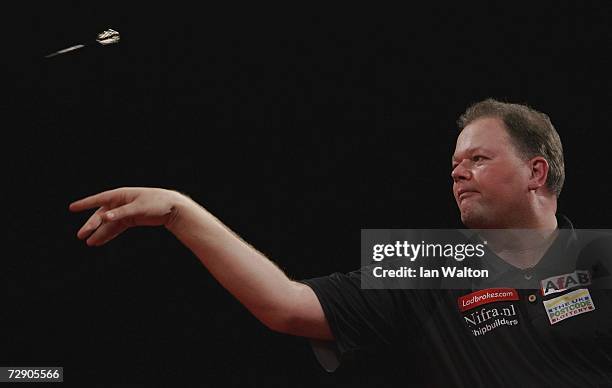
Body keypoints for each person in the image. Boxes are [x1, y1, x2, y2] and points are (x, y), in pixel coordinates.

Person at [69, 99, 612, 386]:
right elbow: (286, 305)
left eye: (477, 159)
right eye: (453, 164)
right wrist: (179, 212)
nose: (458, 173)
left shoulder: (600, 257)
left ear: (535, 172)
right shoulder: (432, 262)